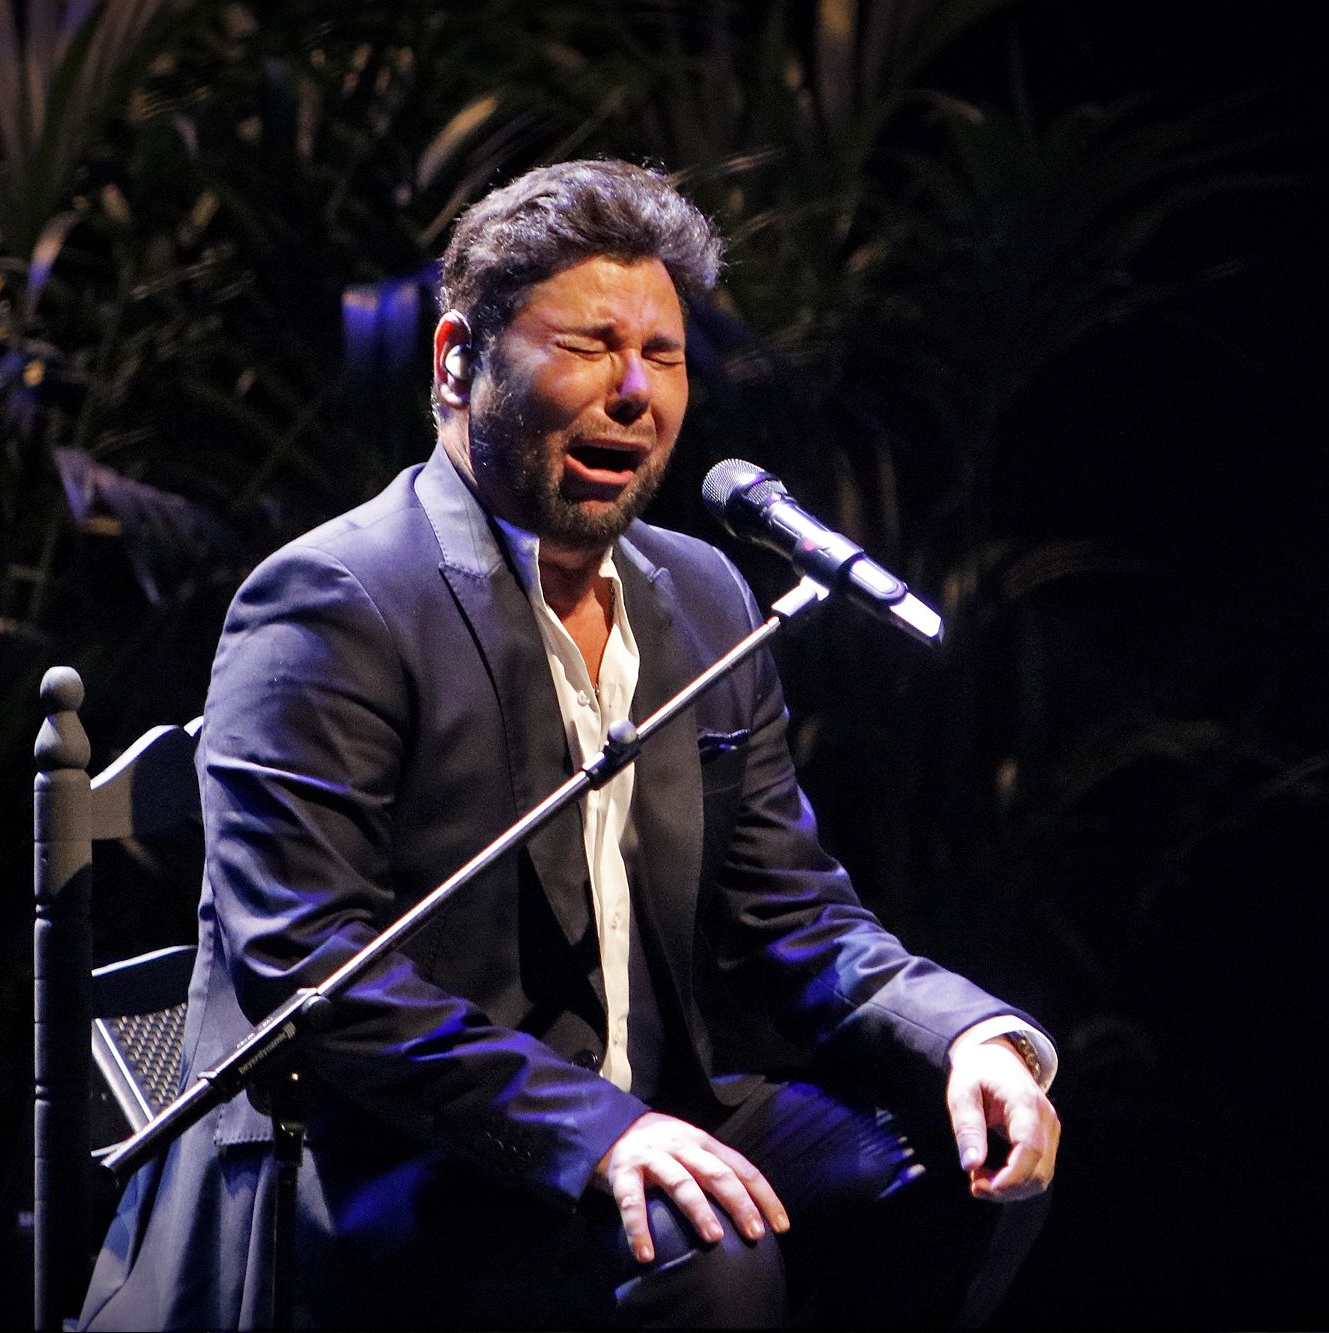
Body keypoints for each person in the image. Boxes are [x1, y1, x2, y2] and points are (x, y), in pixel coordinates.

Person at [80, 159, 1059, 1330]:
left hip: (643, 1118)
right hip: (382, 1156)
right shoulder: (333, 599)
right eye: (589, 346)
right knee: (713, 1259)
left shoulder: (700, 596)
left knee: (959, 1172)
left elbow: (789, 912)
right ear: (456, 361)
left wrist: (964, 1034)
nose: (634, 392)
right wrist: (597, 1129)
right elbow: (311, 966)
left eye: (663, 355)